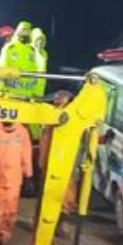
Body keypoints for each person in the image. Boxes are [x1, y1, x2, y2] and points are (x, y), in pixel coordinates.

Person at [37, 91, 77, 235]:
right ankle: (44, 227)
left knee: (68, 198)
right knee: (49, 197)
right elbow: (44, 143)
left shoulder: (71, 119)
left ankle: (57, 226)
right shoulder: (51, 120)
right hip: (52, 164)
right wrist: (43, 164)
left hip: (65, 163)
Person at [0, 21, 37, 97]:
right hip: (11, 91)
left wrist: (35, 91)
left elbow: (34, 71)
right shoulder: (9, 47)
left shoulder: (32, 50)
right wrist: (1, 88)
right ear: (18, 32)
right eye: (23, 30)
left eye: (27, 30)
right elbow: (2, 68)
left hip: (27, 93)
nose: (25, 33)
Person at [30, 27, 49, 98]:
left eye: (42, 39)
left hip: (42, 81)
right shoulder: (30, 51)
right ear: (33, 39)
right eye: (38, 39)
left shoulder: (44, 53)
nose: (40, 41)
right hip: (31, 81)